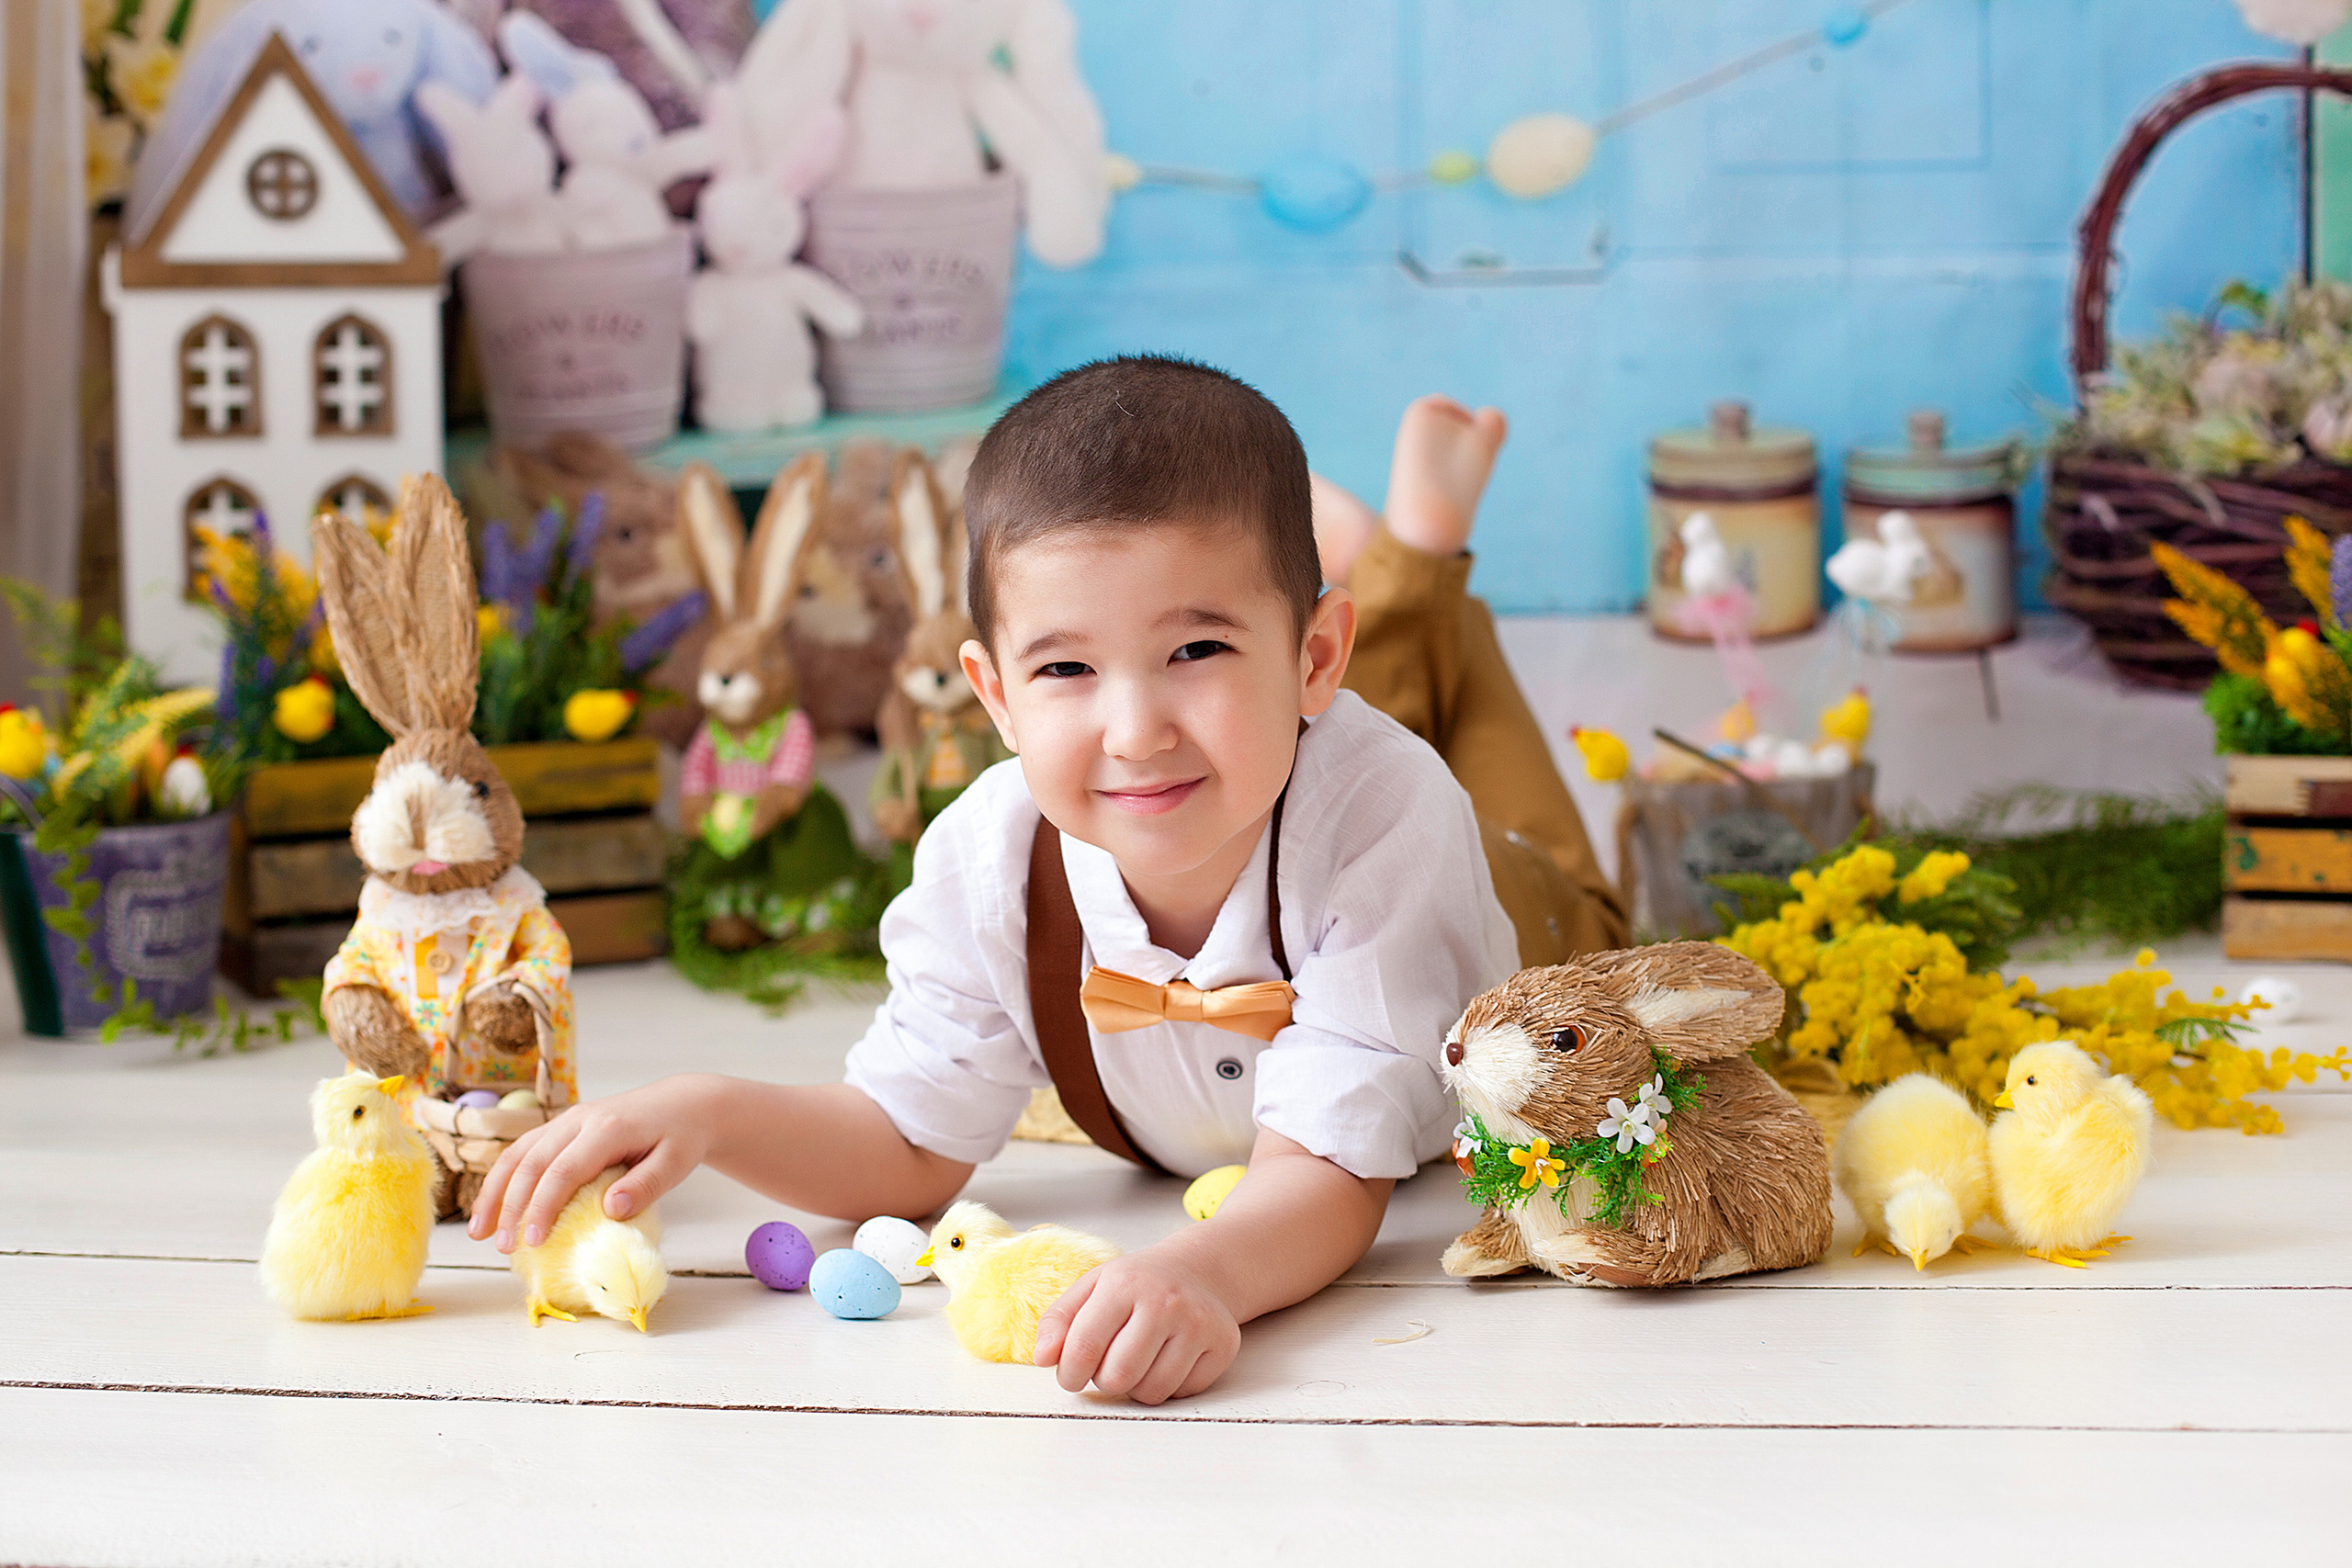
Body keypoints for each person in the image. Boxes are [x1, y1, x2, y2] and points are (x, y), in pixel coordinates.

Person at [469, 358, 1626, 1404]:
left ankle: (1423, 562)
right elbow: (906, 1143)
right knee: (1265, 752)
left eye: (1196, 650)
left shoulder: (1388, 814)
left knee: (1470, 750)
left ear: (1316, 651)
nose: (1132, 731)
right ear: (992, 694)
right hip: (1275, 771)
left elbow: (1327, 1169)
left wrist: (1201, 1279)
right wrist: (706, 1109)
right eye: (1066, 667)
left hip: (1534, 926)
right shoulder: (988, 860)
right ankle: (1340, 586)